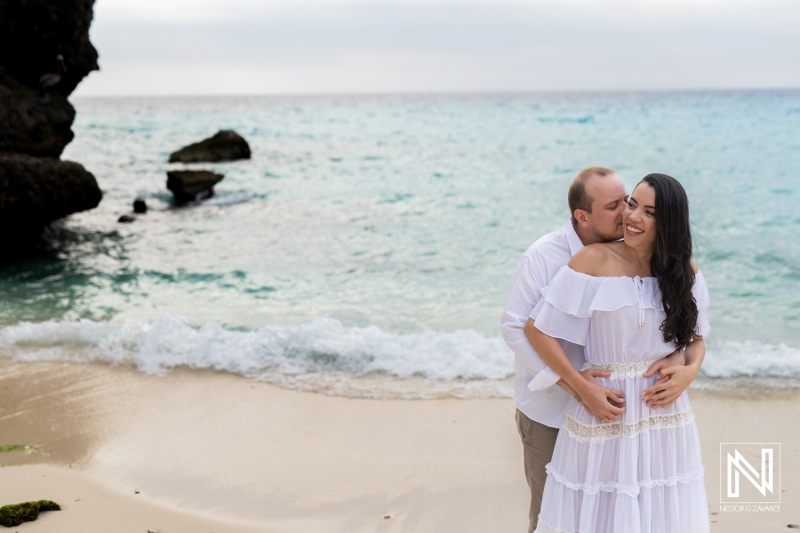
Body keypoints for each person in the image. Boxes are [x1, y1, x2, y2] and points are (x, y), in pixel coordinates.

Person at [501, 167, 701, 533]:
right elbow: (520, 328)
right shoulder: (547, 257)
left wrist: (685, 366)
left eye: (631, 203)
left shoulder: (669, 267)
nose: (628, 214)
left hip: (646, 416)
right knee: (560, 512)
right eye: (619, 206)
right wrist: (577, 385)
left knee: (646, 512)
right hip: (556, 407)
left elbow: (691, 335)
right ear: (583, 216)